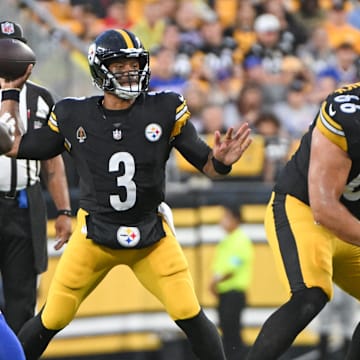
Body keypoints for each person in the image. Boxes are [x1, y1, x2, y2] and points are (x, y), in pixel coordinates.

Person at [0, 28, 252, 360]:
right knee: (52, 317)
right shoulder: (74, 114)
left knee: (189, 312)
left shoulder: (164, 107)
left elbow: (207, 164)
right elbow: (15, 145)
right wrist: (12, 92)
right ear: (100, 70)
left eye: (133, 64)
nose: (129, 72)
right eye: (119, 66)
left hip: (151, 235)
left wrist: (220, 162)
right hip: (94, 236)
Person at [245, 80, 360, 360]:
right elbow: (324, 207)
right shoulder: (346, 114)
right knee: (310, 296)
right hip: (306, 208)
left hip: (352, 220)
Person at [0, 21, 72, 334]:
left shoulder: (41, 99)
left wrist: (65, 210)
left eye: (13, 48)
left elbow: (52, 162)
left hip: (25, 204)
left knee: (23, 298)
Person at [209, 204, 254, 360]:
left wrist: (214, 283)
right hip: (225, 294)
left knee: (233, 333)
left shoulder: (240, 240)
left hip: (234, 294)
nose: (222, 221)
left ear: (235, 219)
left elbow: (232, 267)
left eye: (225, 217)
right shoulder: (227, 241)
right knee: (227, 332)